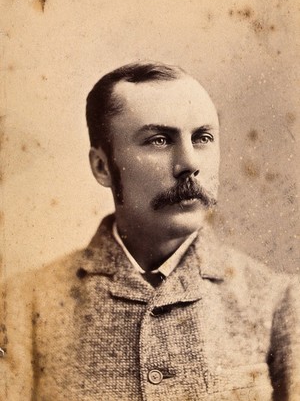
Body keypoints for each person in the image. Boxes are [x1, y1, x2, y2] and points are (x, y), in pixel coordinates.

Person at [0, 62, 299, 400]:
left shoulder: (277, 301)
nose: (189, 163)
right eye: (159, 140)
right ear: (102, 167)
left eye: (202, 138)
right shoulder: (24, 306)